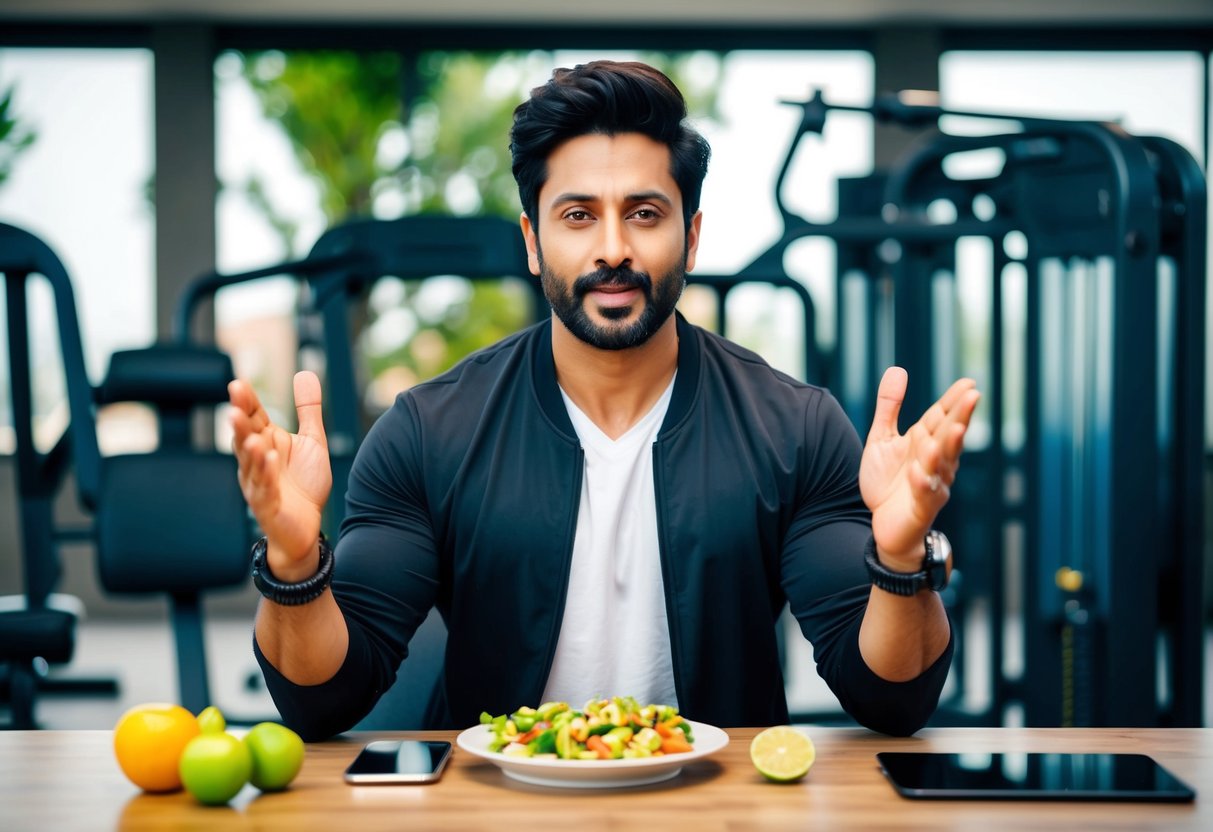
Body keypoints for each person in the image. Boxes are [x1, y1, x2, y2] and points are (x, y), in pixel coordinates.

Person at [228, 60, 980, 741]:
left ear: (689, 240)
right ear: (532, 240)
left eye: (644, 214)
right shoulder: (429, 431)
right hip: (494, 810)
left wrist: (899, 556)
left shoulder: (795, 428)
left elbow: (891, 701)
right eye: (578, 215)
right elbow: (324, 701)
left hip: (715, 812)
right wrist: (295, 565)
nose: (612, 247)